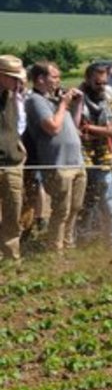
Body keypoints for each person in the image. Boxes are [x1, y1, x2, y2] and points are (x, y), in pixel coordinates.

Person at [23, 62, 88, 253]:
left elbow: (74, 127)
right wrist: (64, 104)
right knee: (61, 211)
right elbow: (53, 127)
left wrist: (77, 105)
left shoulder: (56, 101)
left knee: (75, 208)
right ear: (41, 79)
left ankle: (68, 245)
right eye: (55, 76)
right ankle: (55, 250)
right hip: (57, 164)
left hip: (76, 161)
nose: (59, 80)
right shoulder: (36, 100)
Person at [77, 62, 112, 249]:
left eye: (104, 82)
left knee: (108, 202)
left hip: (104, 157)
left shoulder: (110, 100)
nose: (101, 86)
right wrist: (104, 130)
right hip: (82, 157)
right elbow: (74, 127)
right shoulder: (77, 99)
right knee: (84, 202)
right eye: (97, 83)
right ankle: (83, 242)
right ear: (87, 80)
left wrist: (90, 128)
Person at [1, 56, 30, 263]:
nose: (18, 82)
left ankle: (12, 258)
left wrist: (18, 146)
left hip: (12, 163)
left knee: (13, 213)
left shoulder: (14, 97)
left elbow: (19, 126)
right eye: (14, 78)